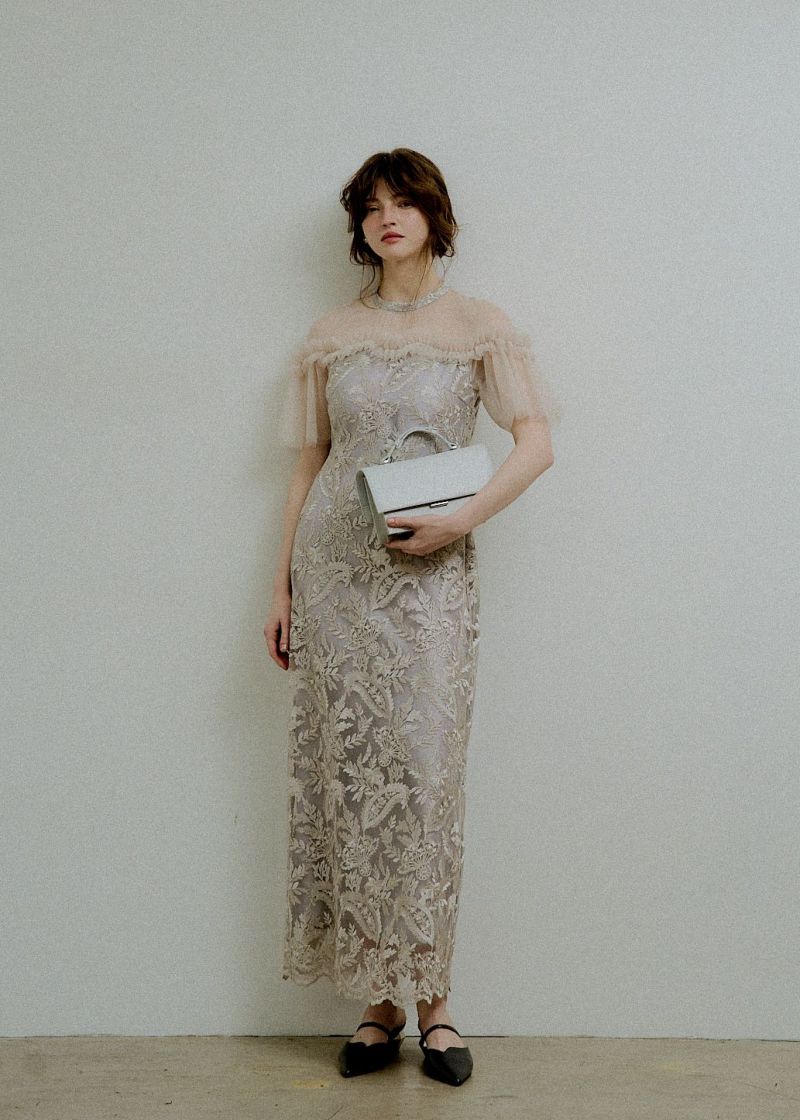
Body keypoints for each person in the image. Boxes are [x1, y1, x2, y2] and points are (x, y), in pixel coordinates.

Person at [265, 148, 560, 1087]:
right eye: (371, 207)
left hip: (431, 577)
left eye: (404, 202)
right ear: (358, 227)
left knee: (425, 782)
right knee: (350, 785)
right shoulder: (331, 334)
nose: (387, 217)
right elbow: (309, 465)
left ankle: (434, 1002)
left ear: (436, 214)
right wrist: (282, 587)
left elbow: (535, 444)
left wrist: (462, 520)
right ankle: (376, 1003)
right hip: (336, 575)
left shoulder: (479, 326)